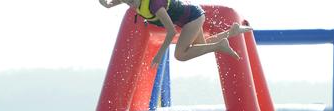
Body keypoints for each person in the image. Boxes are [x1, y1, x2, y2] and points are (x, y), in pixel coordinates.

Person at [98, 0, 252, 67]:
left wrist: (159, 54)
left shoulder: (154, 5)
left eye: (131, 1)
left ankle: (219, 46)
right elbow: (114, 2)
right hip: (192, 14)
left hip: (193, 17)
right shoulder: (131, 1)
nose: (130, 4)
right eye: (126, 2)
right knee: (201, 46)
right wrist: (107, 5)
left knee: (180, 55)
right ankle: (231, 32)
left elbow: (171, 31)